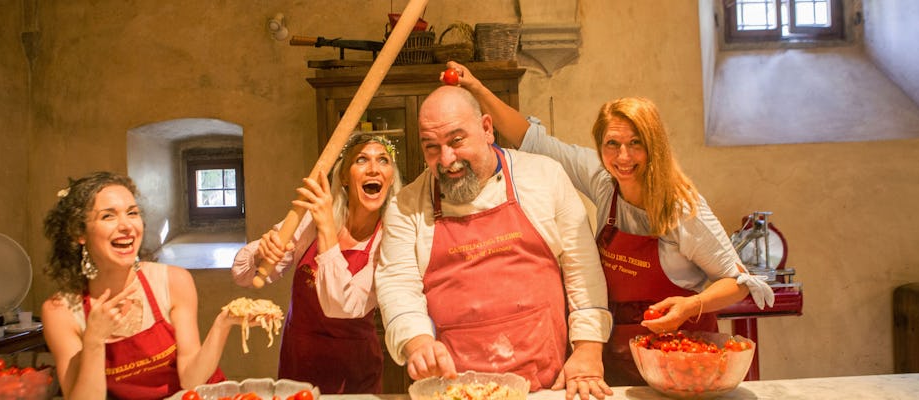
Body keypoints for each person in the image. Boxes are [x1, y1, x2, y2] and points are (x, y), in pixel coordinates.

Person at [444, 61, 776, 386]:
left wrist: (690, 306)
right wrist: (476, 87)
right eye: (612, 144)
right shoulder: (604, 182)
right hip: (617, 361)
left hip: (680, 365)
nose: (623, 157)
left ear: (654, 146)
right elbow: (532, 139)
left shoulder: (683, 209)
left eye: (636, 144)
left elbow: (738, 281)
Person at [375, 85, 614, 400]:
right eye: (432, 147)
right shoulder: (406, 206)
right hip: (456, 389)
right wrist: (417, 342)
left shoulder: (544, 177)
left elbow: (582, 270)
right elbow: (397, 284)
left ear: (487, 129)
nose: (447, 160)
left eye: (457, 141)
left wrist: (587, 348)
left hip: (546, 386)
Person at [41, 171, 248, 400]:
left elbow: (191, 380)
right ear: (78, 232)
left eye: (132, 213)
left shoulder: (174, 281)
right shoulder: (61, 312)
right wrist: (94, 341)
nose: (127, 226)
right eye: (108, 216)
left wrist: (222, 323)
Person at [231, 133, 401, 394]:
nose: (374, 169)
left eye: (383, 160)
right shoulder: (311, 222)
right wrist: (261, 253)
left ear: (390, 177)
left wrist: (328, 232)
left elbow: (343, 305)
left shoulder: (389, 239)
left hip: (354, 371)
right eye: (362, 160)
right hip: (299, 361)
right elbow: (244, 275)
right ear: (344, 176)